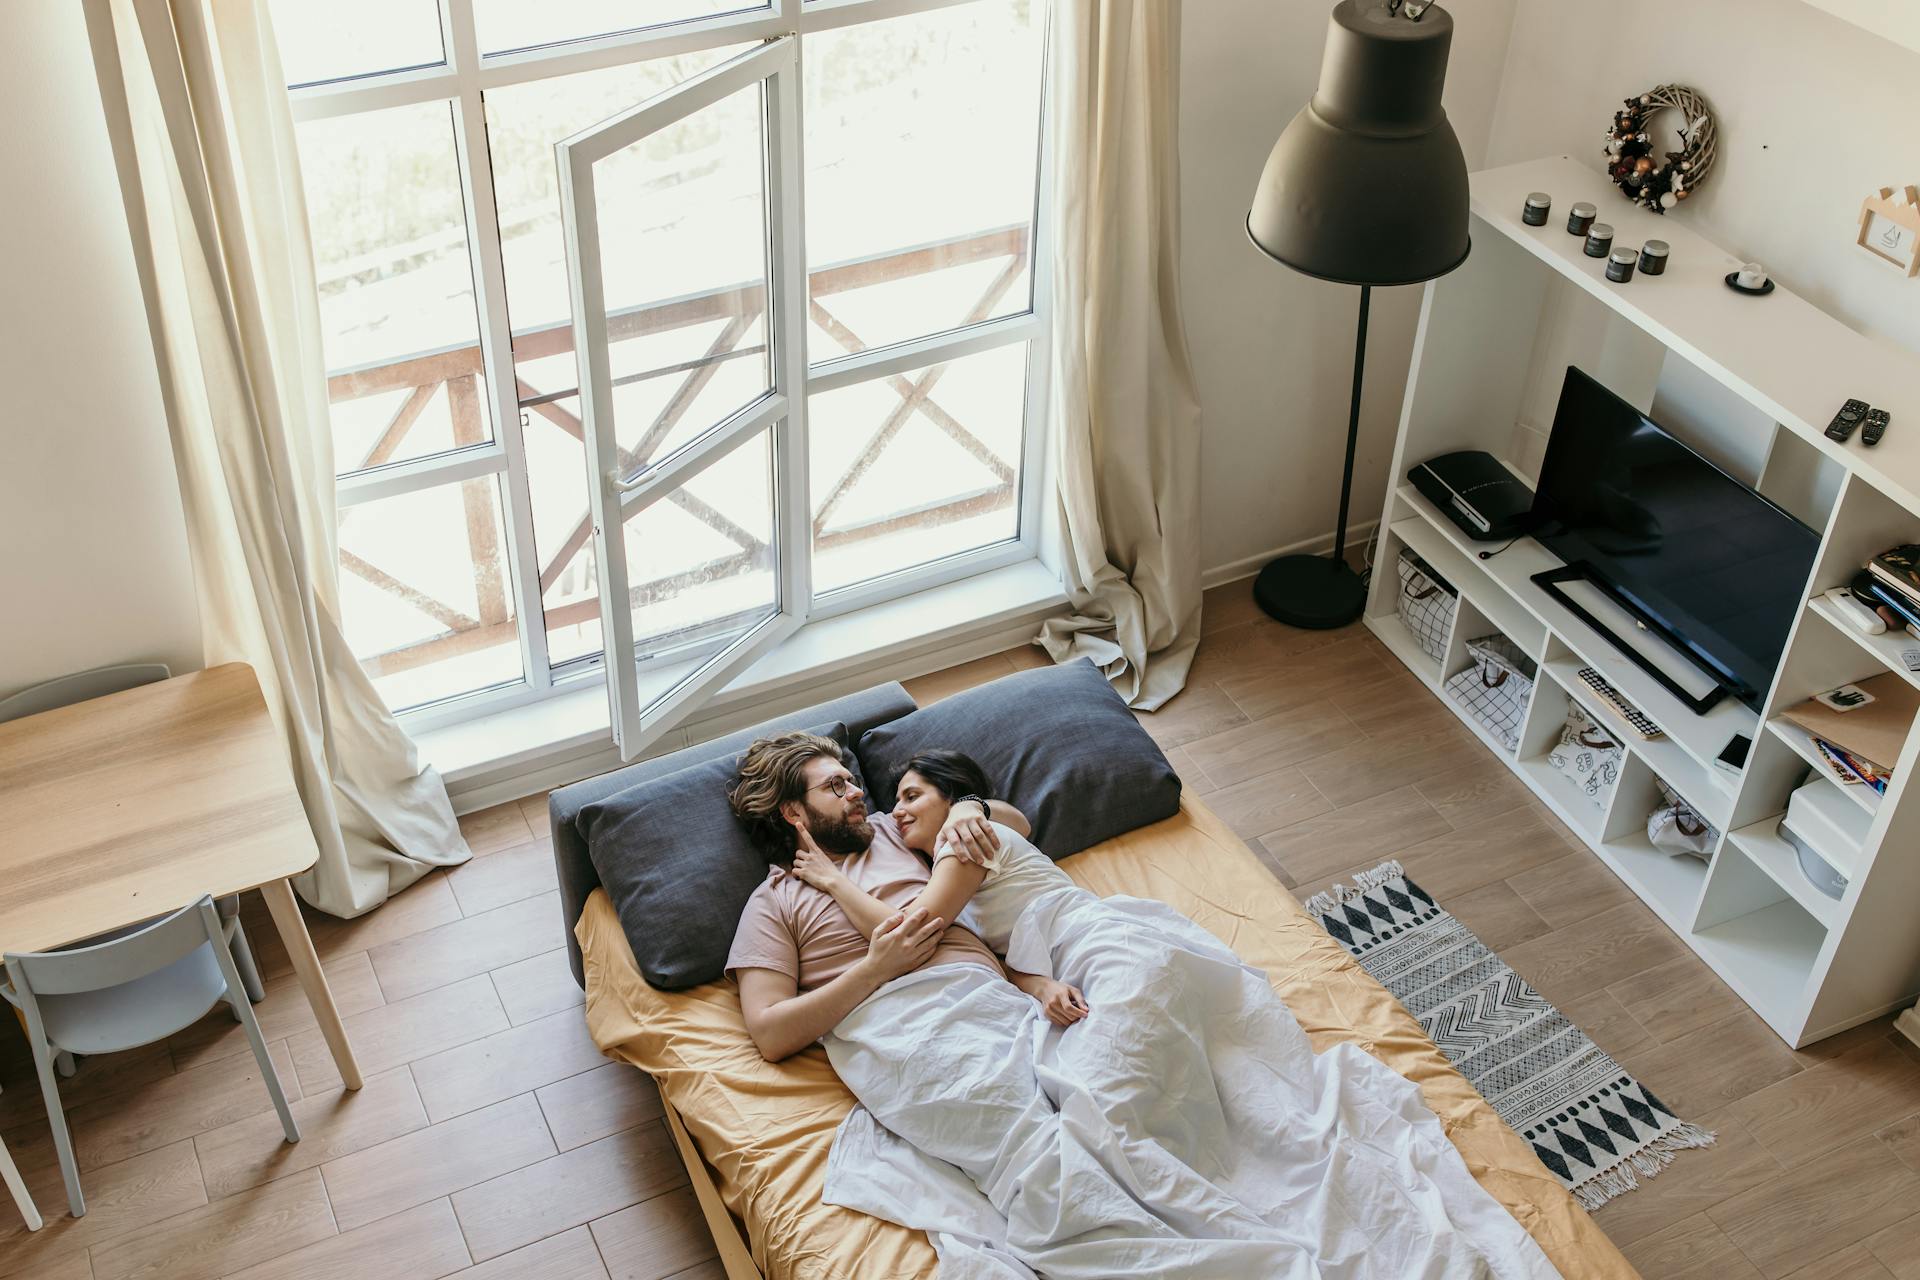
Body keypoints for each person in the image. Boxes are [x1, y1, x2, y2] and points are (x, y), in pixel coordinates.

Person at [722, 732, 1559, 1280]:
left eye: (859, 781)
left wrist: (977, 814)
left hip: (1003, 1009)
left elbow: (1002, 858)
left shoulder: (919, 842)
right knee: (1052, 1170)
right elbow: (767, 1032)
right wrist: (872, 971)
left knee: (1147, 1116)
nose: (863, 796)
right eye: (839, 788)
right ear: (795, 812)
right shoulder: (776, 904)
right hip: (910, 1038)